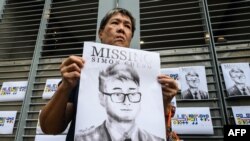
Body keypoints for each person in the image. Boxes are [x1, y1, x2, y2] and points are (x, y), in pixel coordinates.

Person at [39, 8, 178, 141]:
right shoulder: (79, 71)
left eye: (127, 26)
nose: (121, 29)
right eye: (115, 23)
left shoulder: (151, 78)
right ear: (101, 33)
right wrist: (65, 86)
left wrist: (164, 105)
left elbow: (165, 135)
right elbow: (50, 128)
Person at [75, 63, 164, 141]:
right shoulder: (83, 139)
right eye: (117, 94)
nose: (126, 101)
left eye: (132, 93)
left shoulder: (156, 140)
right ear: (102, 98)